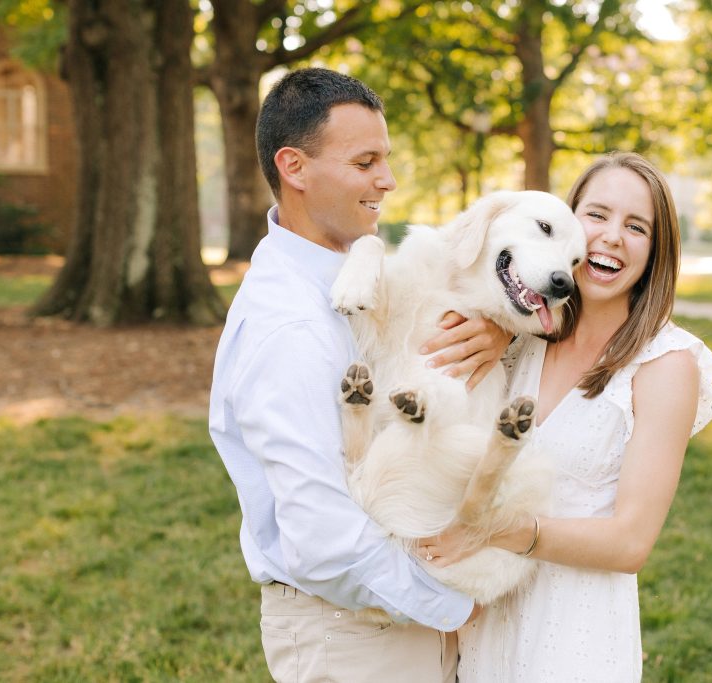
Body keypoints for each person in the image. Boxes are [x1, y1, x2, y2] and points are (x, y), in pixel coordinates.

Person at [208, 68, 508, 683]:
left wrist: (497, 333)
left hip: (396, 611)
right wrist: (453, 606)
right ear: (294, 168)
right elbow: (323, 540)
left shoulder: (352, 278)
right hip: (351, 633)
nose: (388, 182)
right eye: (366, 162)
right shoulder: (286, 326)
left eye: (386, 160)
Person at [419, 152, 712, 681]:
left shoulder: (667, 366)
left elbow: (631, 542)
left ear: (655, 252)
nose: (611, 236)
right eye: (597, 215)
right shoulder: (517, 338)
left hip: (575, 633)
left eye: (637, 227)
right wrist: (501, 328)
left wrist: (493, 530)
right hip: (479, 622)